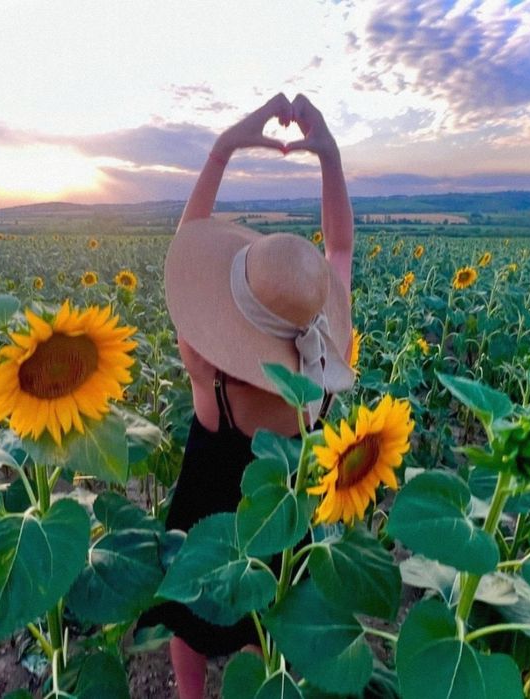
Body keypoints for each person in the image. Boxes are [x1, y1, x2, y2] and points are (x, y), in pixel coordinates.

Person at [139, 93, 357, 699]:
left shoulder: (203, 356)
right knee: (275, 612)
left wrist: (225, 147)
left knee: (190, 605)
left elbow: (187, 241)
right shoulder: (320, 357)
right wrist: (329, 158)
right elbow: (339, 248)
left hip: (207, 501)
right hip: (286, 508)